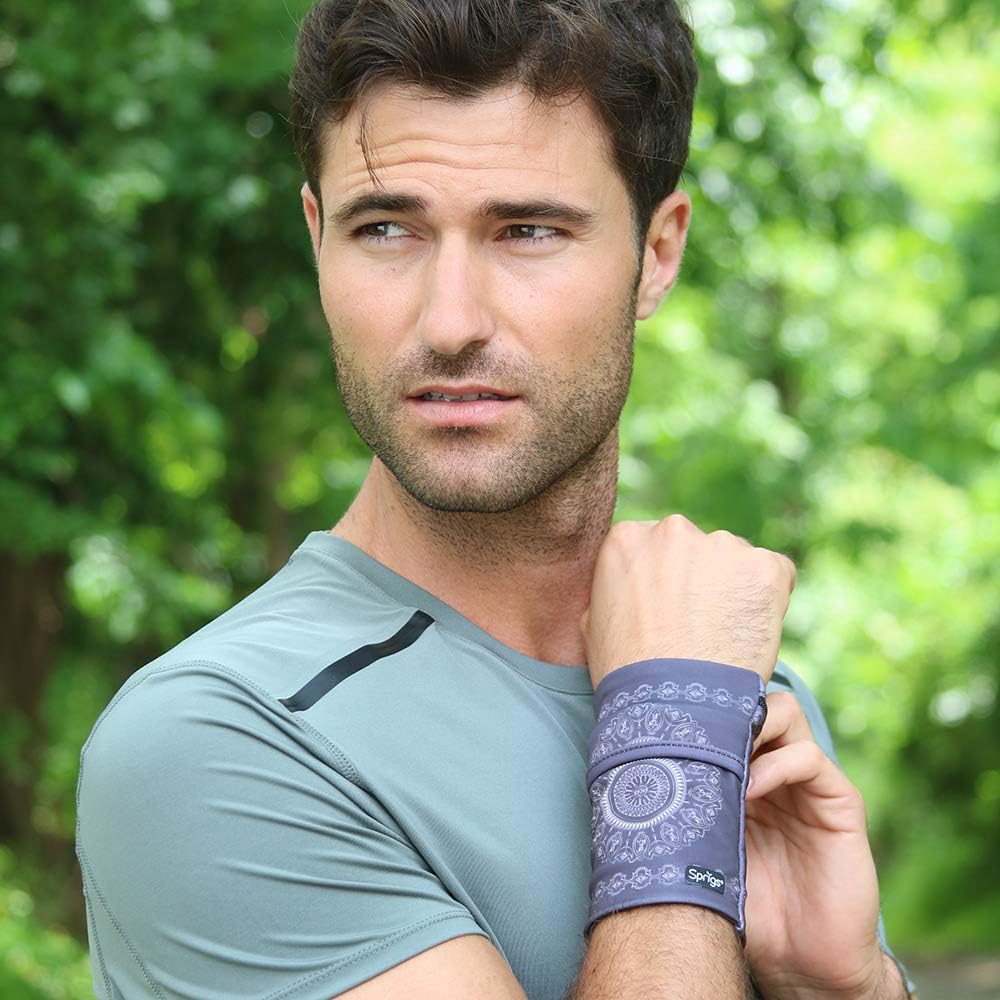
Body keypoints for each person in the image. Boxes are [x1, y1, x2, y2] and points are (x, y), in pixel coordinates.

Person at [76, 2, 918, 998]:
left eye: (527, 230)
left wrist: (847, 986)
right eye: (386, 228)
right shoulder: (214, 740)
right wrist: (672, 753)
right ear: (316, 238)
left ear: (656, 254)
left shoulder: (724, 675)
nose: (450, 321)